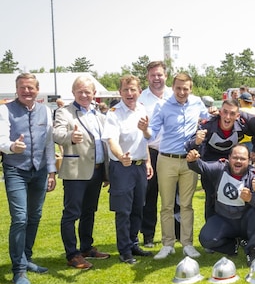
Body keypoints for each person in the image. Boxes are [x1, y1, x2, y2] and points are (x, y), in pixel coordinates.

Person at [141, 72, 209, 260]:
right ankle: (168, 244)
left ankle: (187, 244)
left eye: (185, 89)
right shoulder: (162, 106)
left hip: (189, 161)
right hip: (167, 160)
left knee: (186, 205)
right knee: (167, 205)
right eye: (178, 88)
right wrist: (144, 130)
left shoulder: (197, 103)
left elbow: (209, 120)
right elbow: (152, 133)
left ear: (191, 88)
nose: (181, 92)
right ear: (173, 87)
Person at [0, 73, 57, 284]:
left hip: (40, 171)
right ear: (16, 89)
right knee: (20, 218)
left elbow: (49, 144)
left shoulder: (46, 111)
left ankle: (27, 257)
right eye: (22, 87)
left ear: (37, 89)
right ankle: (19, 269)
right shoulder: (5, 110)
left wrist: (52, 172)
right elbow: (2, 139)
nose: (26, 91)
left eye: (30, 87)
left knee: (35, 216)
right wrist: (12, 147)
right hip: (16, 169)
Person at [54, 76, 111, 270]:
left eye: (88, 91)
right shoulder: (64, 112)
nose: (84, 95)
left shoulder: (99, 114)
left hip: (96, 171)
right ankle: (72, 254)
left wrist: (106, 172)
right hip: (75, 172)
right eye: (80, 91)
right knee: (71, 214)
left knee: (89, 212)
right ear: (73, 93)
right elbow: (56, 134)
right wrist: (71, 136)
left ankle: (87, 248)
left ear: (94, 94)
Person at [186, 144, 255, 266]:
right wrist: (192, 161)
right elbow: (202, 167)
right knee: (206, 239)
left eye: (243, 158)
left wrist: (251, 198)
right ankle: (232, 246)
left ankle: (252, 249)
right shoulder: (220, 168)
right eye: (235, 157)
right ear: (229, 157)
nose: (238, 161)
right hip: (224, 219)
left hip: (246, 221)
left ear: (249, 160)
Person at [102, 75, 154, 264]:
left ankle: (133, 243)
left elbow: (145, 138)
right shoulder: (114, 113)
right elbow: (111, 140)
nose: (130, 93)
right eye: (126, 90)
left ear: (139, 91)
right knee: (123, 211)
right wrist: (121, 156)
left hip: (139, 167)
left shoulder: (142, 109)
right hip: (122, 167)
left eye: (133, 90)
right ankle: (124, 250)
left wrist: (148, 161)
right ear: (120, 92)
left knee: (138, 208)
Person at [138, 61, 173, 248]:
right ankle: (148, 235)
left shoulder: (175, 95)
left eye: (159, 74)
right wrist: (146, 159)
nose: (156, 78)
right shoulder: (141, 98)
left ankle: (174, 234)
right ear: (147, 77)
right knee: (149, 196)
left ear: (165, 75)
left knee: (172, 196)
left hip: (172, 150)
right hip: (150, 151)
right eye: (153, 75)